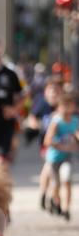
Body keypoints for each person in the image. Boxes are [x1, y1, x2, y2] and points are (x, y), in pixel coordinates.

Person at [41, 90, 77, 220]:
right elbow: (47, 140)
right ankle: (54, 200)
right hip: (54, 159)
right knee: (55, 184)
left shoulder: (75, 121)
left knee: (66, 180)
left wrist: (74, 144)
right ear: (59, 107)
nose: (67, 109)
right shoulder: (56, 121)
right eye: (64, 106)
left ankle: (66, 209)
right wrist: (61, 145)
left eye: (69, 105)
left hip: (66, 157)